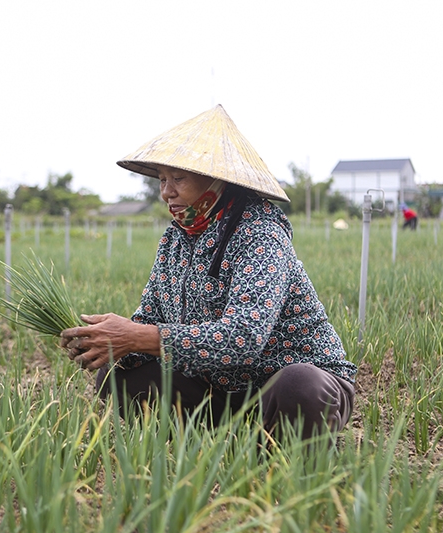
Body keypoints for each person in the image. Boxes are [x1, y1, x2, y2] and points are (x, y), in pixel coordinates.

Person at [60, 105, 356, 440]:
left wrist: (133, 337)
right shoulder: (175, 238)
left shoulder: (260, 234)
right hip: (219, 389)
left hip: (283, 386)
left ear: (217, 179)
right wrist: (105, 342)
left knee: (300, 385)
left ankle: (273, 450)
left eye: (179, 179)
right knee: (119, 378)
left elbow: (243, 339)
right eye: (162, 180)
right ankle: (214, 448)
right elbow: (148, 317)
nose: (167, 192)